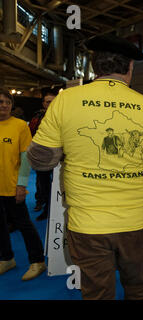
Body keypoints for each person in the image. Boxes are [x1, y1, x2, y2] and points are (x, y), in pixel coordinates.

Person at [27, 34, 143, 300]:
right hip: (135, 220)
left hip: (88, 223)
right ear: (129, 69)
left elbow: (40, 160)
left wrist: (66, 151)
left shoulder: (66, 99)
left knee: (97, 292)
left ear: (95, 67)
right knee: (138, 285)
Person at [0, 88, 46, 281]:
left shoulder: (19, 126)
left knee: (24, 224)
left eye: (7, 102)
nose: (3, 105)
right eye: (0, 101)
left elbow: (26, 158)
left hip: (12, 186)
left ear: (11, 105)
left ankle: (37, 261)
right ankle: (6, 258)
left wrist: (21, 186)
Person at [28, 90, 57, 221]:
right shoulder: (37, 117)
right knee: (42, 183)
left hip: (59, 156)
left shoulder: (63, 116)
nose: (50, 104)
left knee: (56, 184)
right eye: (48, 102)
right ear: (43, 103)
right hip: (41, 157)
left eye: (53, 101)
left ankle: (51, 208)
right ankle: (42, 203)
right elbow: (31, 135)